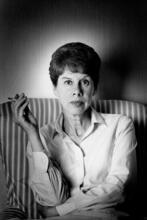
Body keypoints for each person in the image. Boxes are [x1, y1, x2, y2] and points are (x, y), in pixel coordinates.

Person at [11, 42, 137, 219]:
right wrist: (32, 133)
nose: (76, 91)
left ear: (95, 88)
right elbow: (52, 199)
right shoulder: (42, 136)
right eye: (68, 82)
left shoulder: (121, 125)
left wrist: (60, 210)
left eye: (84, 82)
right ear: (55, 88)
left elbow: (119, 187)